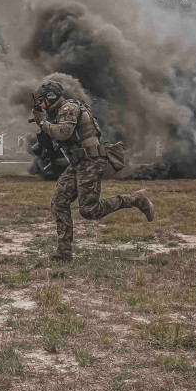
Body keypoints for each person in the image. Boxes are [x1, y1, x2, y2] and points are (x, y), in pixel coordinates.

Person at [31, 80, 154, 262]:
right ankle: (64, 252)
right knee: (58, 203)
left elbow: (64, 132)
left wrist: (43, 123)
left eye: (42, 101)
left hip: (91, 162)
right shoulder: (58, 114)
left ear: (51, 97)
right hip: (78, 164)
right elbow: (64, 139)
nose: (40, 105)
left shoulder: (68, 108)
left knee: (89, 210)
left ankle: (136, 199)